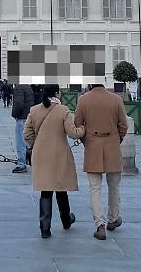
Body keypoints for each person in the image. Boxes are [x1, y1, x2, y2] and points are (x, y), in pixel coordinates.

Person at [24, 84, 84, 238]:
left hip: (41, 155)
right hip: (59, 155)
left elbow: (27, 133)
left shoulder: (34, 110)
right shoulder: (63, 110)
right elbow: (73, 133)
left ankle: (45, 228)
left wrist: (36, 144)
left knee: (45, 190)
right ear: (57, 93)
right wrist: (83, 129)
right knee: (61, 188)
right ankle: (66, 220)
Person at [74, 83, 128, 240]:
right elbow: (123, 125)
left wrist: (87, 140)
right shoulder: (116, 99)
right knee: (114, 187)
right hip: (112, 145)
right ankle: (113, 218)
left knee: (95, 188)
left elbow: (78, 124)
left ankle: (100, 224)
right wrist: (116, 140)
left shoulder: (83, 100)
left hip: (93, 145)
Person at [10, 82, 35, 173]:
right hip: (29, 116)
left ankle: (21, 164)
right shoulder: (28, 86)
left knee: (20, 142)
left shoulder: (18, 88)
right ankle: (29, 160)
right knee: (28, 141)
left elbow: (18, 104)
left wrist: (14, 114)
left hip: (22, 117)